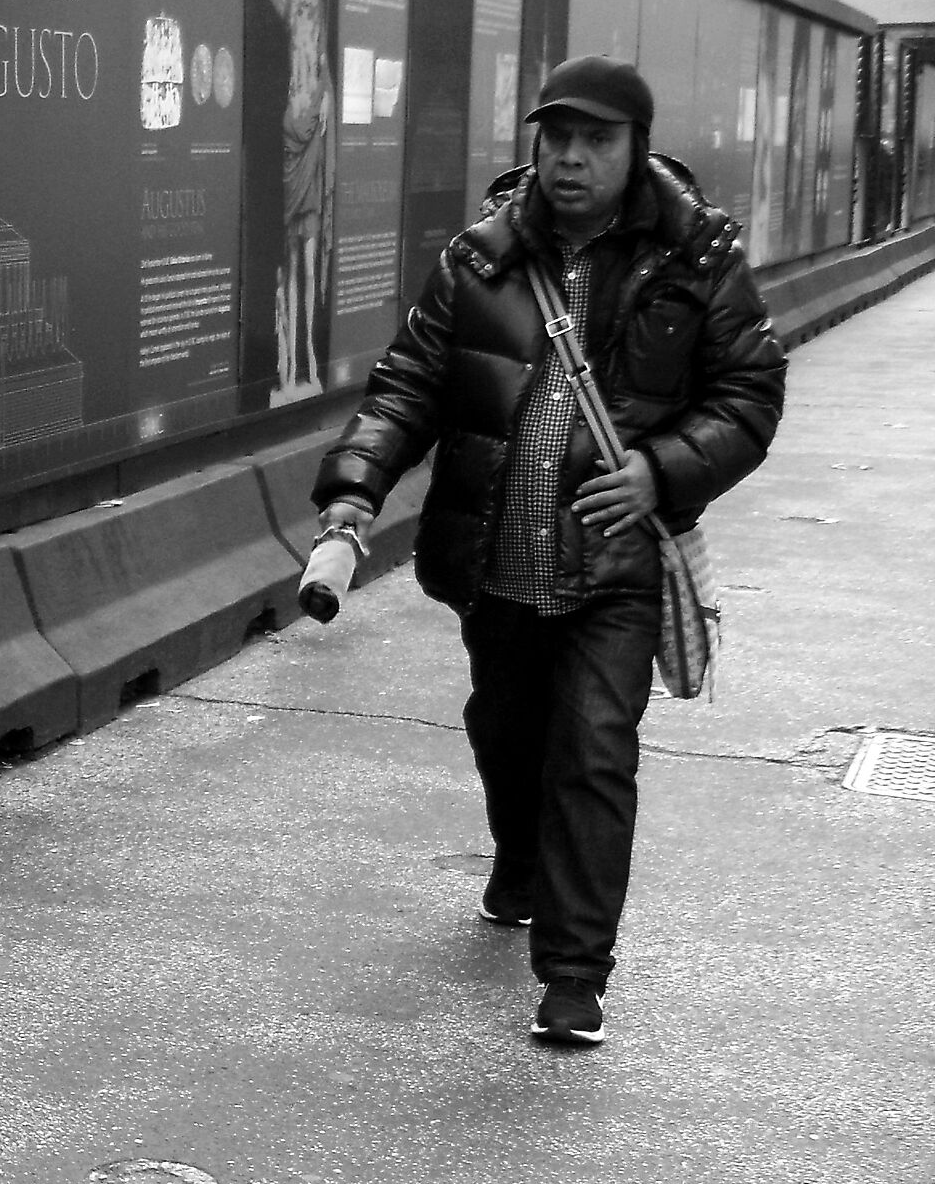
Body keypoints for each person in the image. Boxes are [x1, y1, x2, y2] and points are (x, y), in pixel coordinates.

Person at [310, 56, 786, 1046]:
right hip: (497, 561)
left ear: (636, 148)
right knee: (506, 725)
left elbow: (748, 395)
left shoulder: (697, 259)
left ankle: (574, 972)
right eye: (556, 138)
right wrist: (356, 488)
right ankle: (520, 858)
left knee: (595, 747)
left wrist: (662, 470)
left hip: (614, 565)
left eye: (595, 141)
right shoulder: (481, 256)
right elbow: (409, 383)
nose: (570, 159)